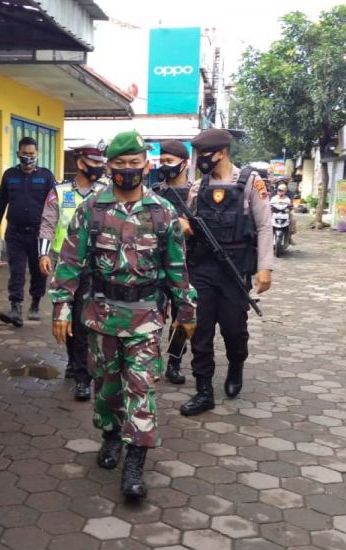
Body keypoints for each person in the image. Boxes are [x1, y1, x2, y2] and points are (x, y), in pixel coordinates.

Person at [50, 130, 197, 500]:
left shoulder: (162, 212)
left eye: (134, 164)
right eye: (120, 164)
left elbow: (177, 267)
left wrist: (186, 309)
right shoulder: (92, 209)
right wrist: (61, 308)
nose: (127, 171)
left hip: (146, 316)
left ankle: (136, 459)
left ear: (145, 166)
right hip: (101, 314)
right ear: (109, 167)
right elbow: (69, 261)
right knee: (107, 388)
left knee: (141, 387)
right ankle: (111, 435)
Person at [178, 128, 273, 417]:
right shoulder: (198, 186)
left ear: (221, 153)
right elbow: (186, 221)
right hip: (203, 267)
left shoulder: (250, 182)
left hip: (234, 267)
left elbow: (264, 225)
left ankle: (236, 365)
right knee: (201, 329)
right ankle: (203, 389)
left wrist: (264, 268)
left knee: (234, 329)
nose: (201, 161)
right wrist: (183, 226)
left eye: (204, 155)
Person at [38, 142, 108, 402]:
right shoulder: (61, 192)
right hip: (67, 265)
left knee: (88, 321)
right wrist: (43, 253)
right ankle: (77, 367)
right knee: (69, 317)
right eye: (95, 164)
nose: (99, 169)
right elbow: (48, 224)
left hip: (99, 264)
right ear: (81, 163)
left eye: (102, 164)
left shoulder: (106, 192)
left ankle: (85, 373)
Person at [0, 137, 57, 327]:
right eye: (25, 154)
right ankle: (15, 308)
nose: (28, 157)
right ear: (18, 154)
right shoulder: (10, 175)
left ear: (37, 154)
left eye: (32, 154)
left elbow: (54, 206)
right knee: (16, 271)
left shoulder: (46, 176)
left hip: (38, 234)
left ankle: (35, 303)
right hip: (15, 233)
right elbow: (1, 203)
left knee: (38, 271)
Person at [150, 140, 193, 386]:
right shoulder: (155, 192)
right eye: (162, 161)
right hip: (155, 265)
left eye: (170, 161)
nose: (164, 165)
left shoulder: (195, 191)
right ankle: (150, 361)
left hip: (185, 266)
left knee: (182, 315)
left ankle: (174, 363)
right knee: (152, 314)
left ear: (184, 164)